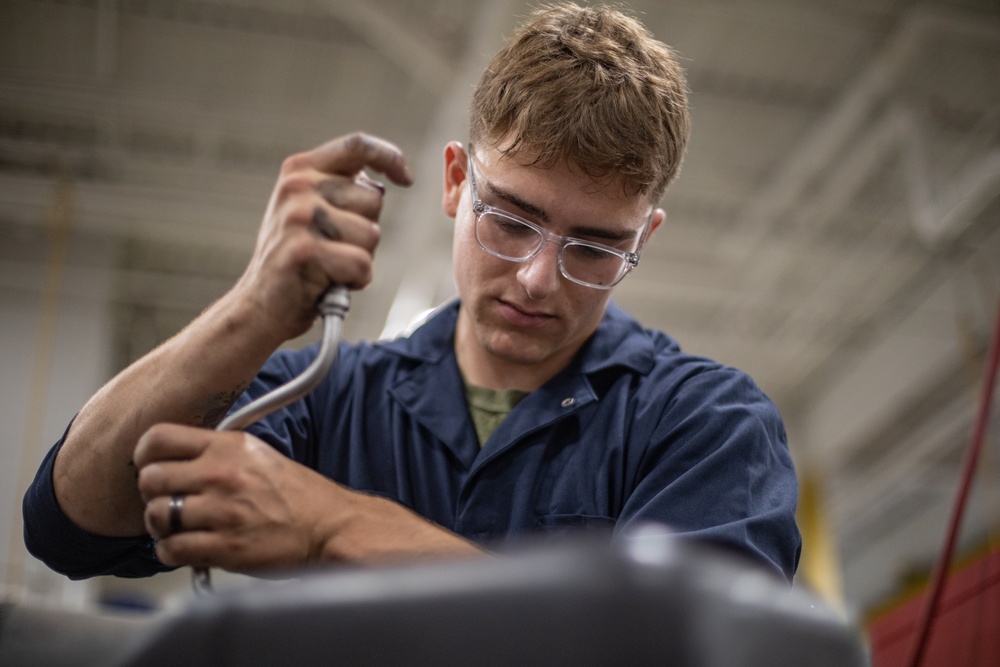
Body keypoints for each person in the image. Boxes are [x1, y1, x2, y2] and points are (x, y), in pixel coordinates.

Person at [23, 3, 800, 582]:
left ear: (644, 239)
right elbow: (71, 525)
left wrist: (337, 523)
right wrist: (252, 310)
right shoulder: (330, 396)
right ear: (457, 181)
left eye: (595, 248)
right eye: (512, 218)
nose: (536, 276)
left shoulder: (705, 424)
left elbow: (696, 647)